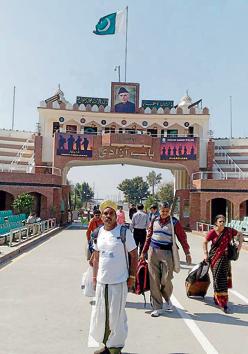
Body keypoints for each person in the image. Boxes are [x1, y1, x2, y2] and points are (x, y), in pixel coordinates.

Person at [89, 200, 138, 354]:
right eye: (105, 213)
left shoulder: (124, 232)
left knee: (116, 315)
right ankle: (106, 345)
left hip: (119, 281)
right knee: (102, 314)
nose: (108, 216)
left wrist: (132, 276)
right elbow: (96, 257)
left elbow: (134, 254)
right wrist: (94, 278)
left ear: (116, 216)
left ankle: (116, 347)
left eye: (111, 213)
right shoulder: (99, 233)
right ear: (101, 216)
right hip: (103, 282)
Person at [140, 202, 192, 317]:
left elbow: (182, 237)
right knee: (154, 279)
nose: (164, 213)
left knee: (166, 279)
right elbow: (148, 237)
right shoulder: (154, 220)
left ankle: (167, 298)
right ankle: (157, 307)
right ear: (159, 210)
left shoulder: (174, 222)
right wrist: (143, 252)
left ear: (169, 211)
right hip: (153, 252)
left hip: (167, 253)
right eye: (162, 210)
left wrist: (187, 252)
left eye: (166, 211)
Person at [203, 214, 243, 313]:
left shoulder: (229, 231)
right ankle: (220, 300)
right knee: (217, 279)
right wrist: (205, 254)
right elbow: (204, 242)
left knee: (222, 280)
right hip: (214, 259)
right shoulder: (212, 232)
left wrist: (239, 247)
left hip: (225, 259)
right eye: (220, 221)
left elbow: (240, 234)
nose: (222, 223)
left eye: (223, 221)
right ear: (216, 222)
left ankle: (221, 301)